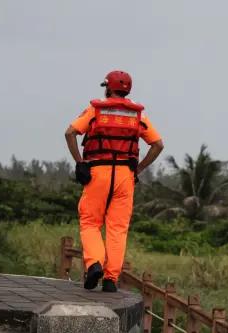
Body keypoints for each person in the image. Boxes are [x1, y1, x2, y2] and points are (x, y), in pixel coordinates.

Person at [65, 70, 164, 292]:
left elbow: (70, 133)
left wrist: (80, 162)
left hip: (97, 172)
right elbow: (158, 144)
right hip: (124, 176)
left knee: (90, 222)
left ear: (108, 88)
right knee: (117, 228)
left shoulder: (95, 110)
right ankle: (111, 279)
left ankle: (94, 264)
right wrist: (139, 168)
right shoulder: (138, 115)